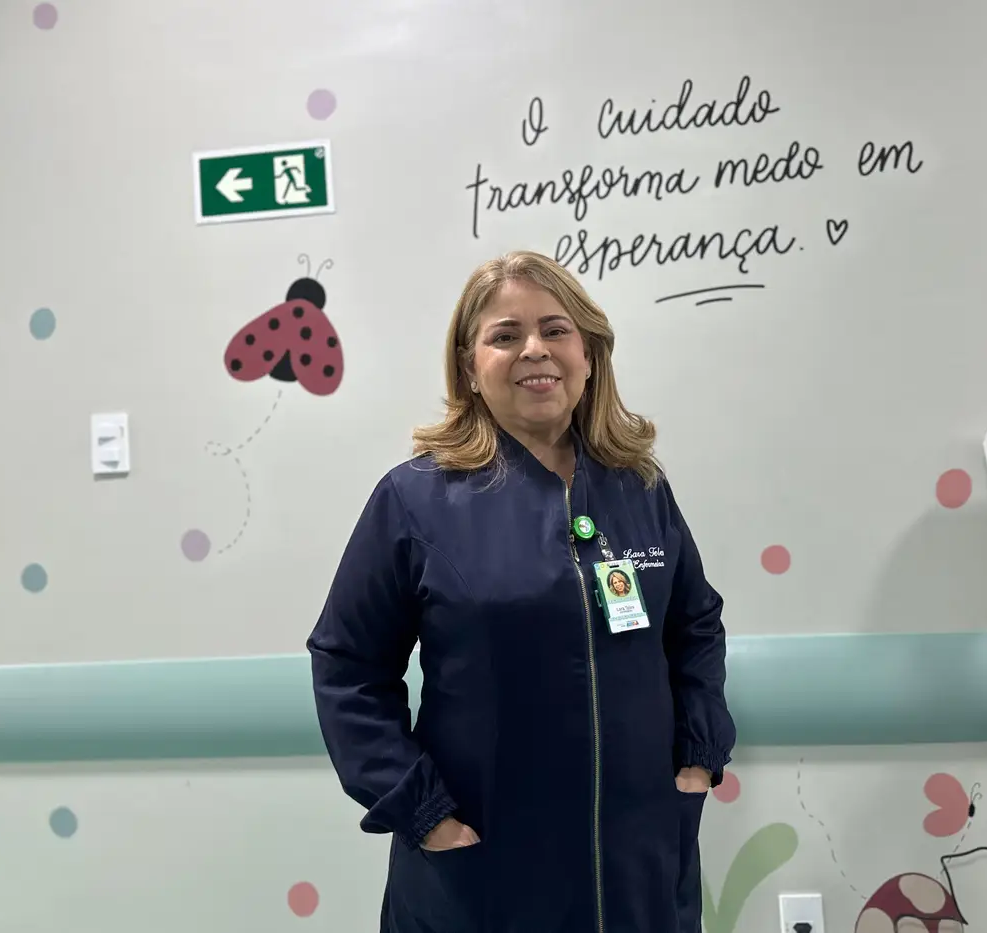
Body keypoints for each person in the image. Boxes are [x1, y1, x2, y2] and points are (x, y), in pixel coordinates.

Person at [308, 250, 735, 933]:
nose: (534, 349)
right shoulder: (416, 500)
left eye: (555, 329)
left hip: (641, 863)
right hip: (484, 872)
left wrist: (698, 758)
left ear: (588, 354)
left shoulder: (639, 488)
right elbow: (347, 664)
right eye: (505, 335)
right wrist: (422, 811)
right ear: (470, 366)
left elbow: (696, 625)